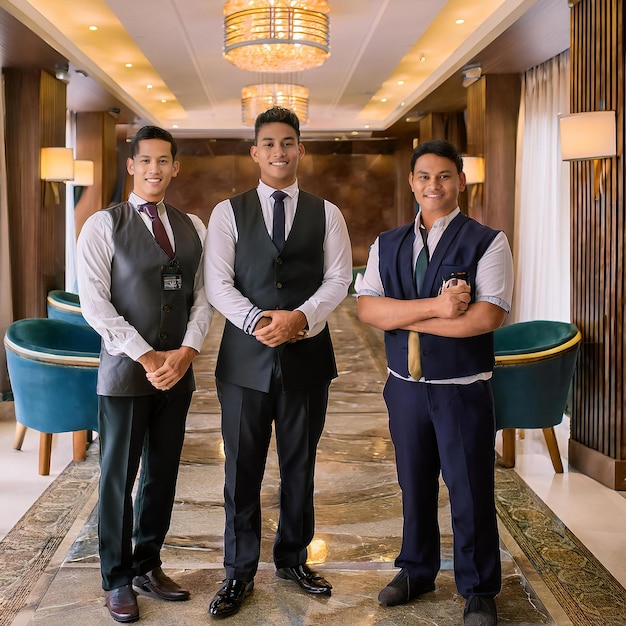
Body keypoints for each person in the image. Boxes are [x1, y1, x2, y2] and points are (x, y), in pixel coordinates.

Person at [357, 139, 513, 626]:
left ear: (460, 182)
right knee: (413, 483)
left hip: (462, 388)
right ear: (412, 182)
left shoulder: (488, 241)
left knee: (469, 488)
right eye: (424, 176)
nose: (434, 185)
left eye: (444, 176)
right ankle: (416, 570)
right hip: (404, 386)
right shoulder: (387, 243)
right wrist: (438, 308)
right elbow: (366, 309)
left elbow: (484, 319)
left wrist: (401, 318)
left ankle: (478, 587)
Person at [204, 106, 352, 618]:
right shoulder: (228, 212)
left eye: (287, 142)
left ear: (300, 149)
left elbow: (339, 279)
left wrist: (300, 320)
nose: (278, 152)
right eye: (268, 143)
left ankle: (293, 558)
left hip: (308, 358)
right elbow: (217, 282)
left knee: (299, 464)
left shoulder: (327, 212)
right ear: (254, 152)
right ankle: (238, 572)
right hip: (244, 363)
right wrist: (258, 323)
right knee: (241, 470)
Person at [77, 125, 212, 623]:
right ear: (131, 166)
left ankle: (147, 565)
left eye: (164, 161)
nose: (155, 169)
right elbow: (96, 305)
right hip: (126, 372)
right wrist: (147, 356)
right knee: (118, 476)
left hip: (177, 371)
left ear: (176, 167)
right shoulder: (101, 225)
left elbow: (203, 297)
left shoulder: (193, 226)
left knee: (162, 474)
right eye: (146, 161)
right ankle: (116, 577)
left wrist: (187, 351)